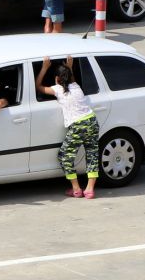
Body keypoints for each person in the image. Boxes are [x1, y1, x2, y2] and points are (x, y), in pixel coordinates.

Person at [38, 56, 99, 199]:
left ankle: (76, 188)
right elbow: (70, 79)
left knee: (64, 156)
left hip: (78, 126)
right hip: (92, 121)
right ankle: (89, 190)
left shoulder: (57, 90)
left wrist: (44, 68)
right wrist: (70, 67)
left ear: (57, 79)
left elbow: (38, 87)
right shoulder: (76, 86)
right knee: (92, 154)